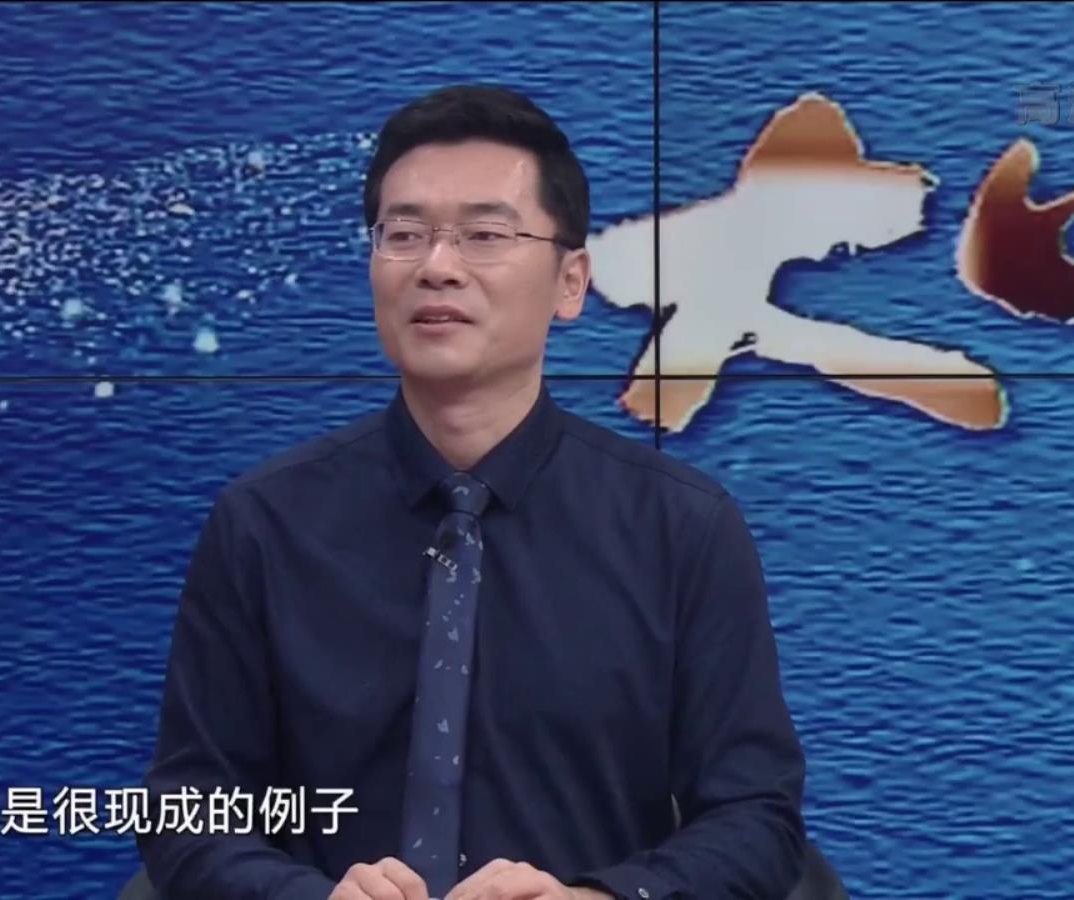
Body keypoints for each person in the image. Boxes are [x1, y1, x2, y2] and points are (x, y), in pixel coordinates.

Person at [139, 84, 808, 900]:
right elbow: (187, 811)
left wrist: (598, 899)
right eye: (404, 235)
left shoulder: (682, 529)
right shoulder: (265, 525)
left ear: (570, 282)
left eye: (485, 235)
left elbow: (755, 818)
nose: (438, 267)